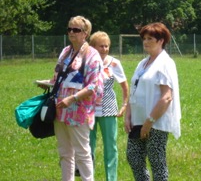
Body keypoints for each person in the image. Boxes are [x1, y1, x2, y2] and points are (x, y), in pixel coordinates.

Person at [125, 22, 181, 181]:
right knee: (133, 157)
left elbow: (167, 97)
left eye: (150, 38)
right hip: (137, 120)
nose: (146, 41)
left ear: (161, 40)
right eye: (144, 38)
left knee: (157, 162)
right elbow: (133, 90)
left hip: (155, 122)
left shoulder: (165, 63)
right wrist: (128, 116)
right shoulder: (142, 63)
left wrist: (149, 122)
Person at [50, 16, 104, 181]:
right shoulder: (65, 52)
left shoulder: (92, 55)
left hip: (79, 112)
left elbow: (95, 86)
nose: (71, 32)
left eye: (76, 30)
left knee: (82, 153)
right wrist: (49, 84)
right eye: (69, 29)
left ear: (85, 33)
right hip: (60, 110)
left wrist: (72, 99)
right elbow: (59, 77)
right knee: (65, 153)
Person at [88, 31, 129, 181]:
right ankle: (88, 177)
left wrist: (124, 104)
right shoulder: (87, 61)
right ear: (93, 47)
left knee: (110, 147)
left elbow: (125, 86)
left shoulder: (114, 63)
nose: (104, 49)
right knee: (87, 147)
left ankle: (111, 178)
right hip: (88, 110)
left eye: (107, 46)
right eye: (101, 46)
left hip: (109, 109)